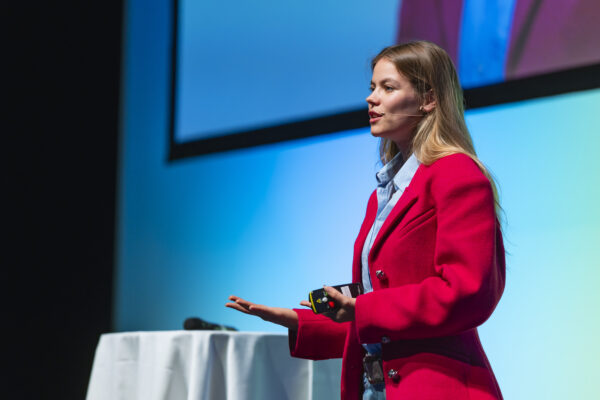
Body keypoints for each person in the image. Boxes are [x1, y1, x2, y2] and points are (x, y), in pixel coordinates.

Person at [226, 40, 505, 400]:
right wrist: (298, 320)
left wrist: (364, 308)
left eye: (388, 88)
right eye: (372, 88)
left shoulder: (457, 174)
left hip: (436, 387)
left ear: (429, 99)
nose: (371, 99)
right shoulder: (382, 195)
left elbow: (467, 292)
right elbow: (378, 312)